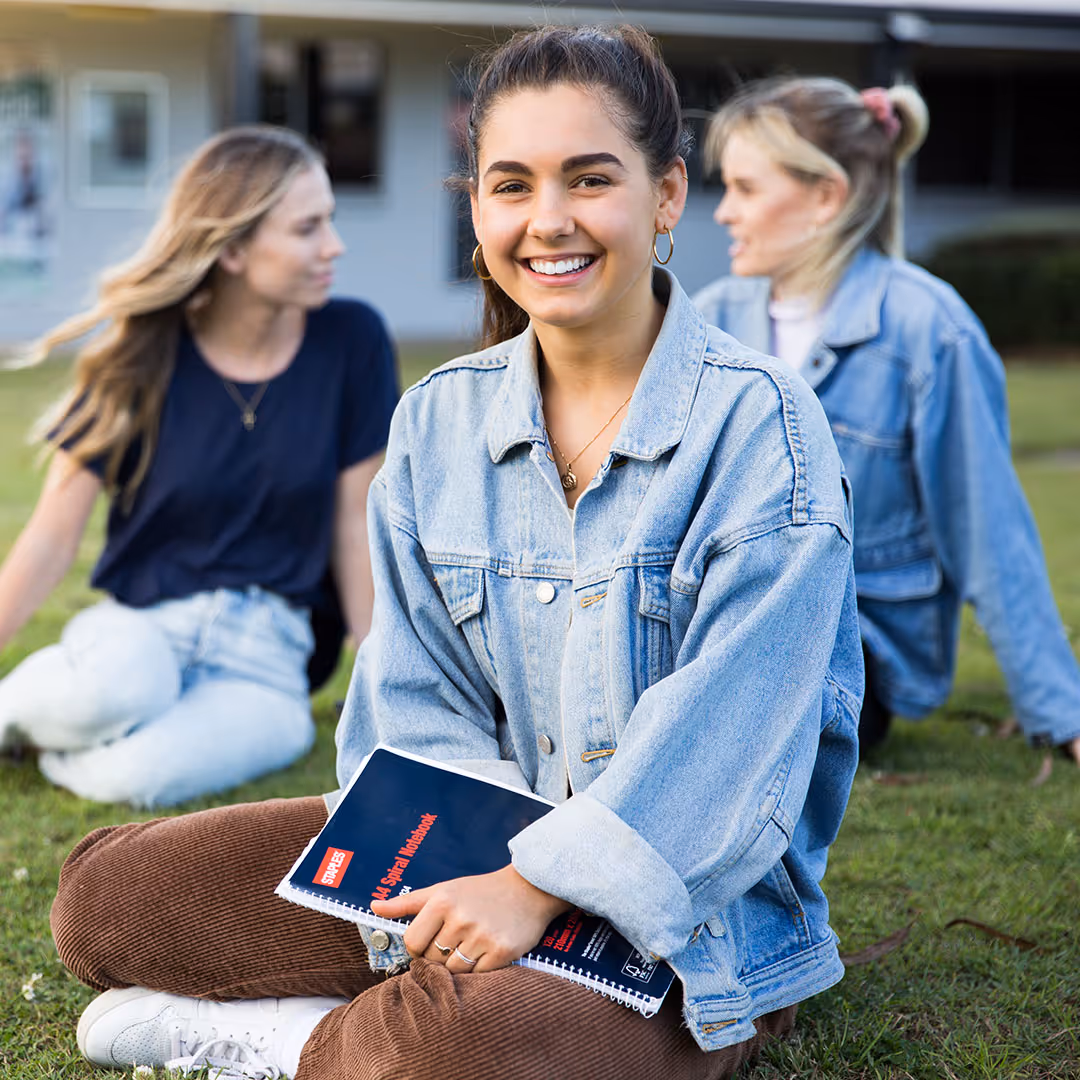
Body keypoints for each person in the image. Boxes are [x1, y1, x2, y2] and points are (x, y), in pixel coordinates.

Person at [51, 26, 863, 1080]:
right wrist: (469, 884)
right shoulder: (439, 422)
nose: (549, 220)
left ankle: (292, 1043)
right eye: (511, 184)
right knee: (105, 898)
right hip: (465, 859)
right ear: (477, 209)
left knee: (459, 1049)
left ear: (666, 196)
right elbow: (411, 702)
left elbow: (732, 748)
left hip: (686, 916)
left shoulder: (764, 429)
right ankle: (400, 997)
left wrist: (533, 890)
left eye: (590, 178)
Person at [0, 125, 398, 807]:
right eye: (308, 228)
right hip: (143, 630)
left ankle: (59, 750)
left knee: (142, 779)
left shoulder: (352, 340)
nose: (333, 245)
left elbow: (355, 532)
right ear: (235, 248)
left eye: (328, 219)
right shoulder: (141, 351)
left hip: (269, 664)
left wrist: (388, 688)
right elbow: (50, 538)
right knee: (119, 689)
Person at [693, 77, 1080, 764]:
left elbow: (988, 532)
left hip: (848, 657)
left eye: (746, 189)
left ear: (825, 197)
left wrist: (1062, 714)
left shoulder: (929, 331)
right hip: (721, 621)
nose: (724, 212)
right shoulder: (708, 322)